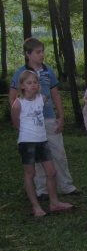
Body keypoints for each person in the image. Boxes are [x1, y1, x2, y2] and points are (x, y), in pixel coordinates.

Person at [9, 38, 80, 200]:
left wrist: (61, 116)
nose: (41, 55)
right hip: (30, 123)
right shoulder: (21, 73)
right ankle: (42, 190)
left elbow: (55, 94)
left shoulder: (48, 71)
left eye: (42, 51)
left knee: (58, 152)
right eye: (37, 52)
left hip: (48, 117)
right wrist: (19, 120)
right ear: (28, 54)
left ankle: (65, 185)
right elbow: (13, 97)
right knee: (37, 157)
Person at [11, 70, 74, 217]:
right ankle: (36, 207)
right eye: (29, 83)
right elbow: (16, 123)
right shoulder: (18, 104)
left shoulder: (42, 99)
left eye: (35, 82)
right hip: (27, 142)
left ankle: (54, 203)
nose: (33, 85)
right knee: (30, 173)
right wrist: (28, 133)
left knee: (51, 171)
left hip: (42, 140)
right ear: (22, 86)